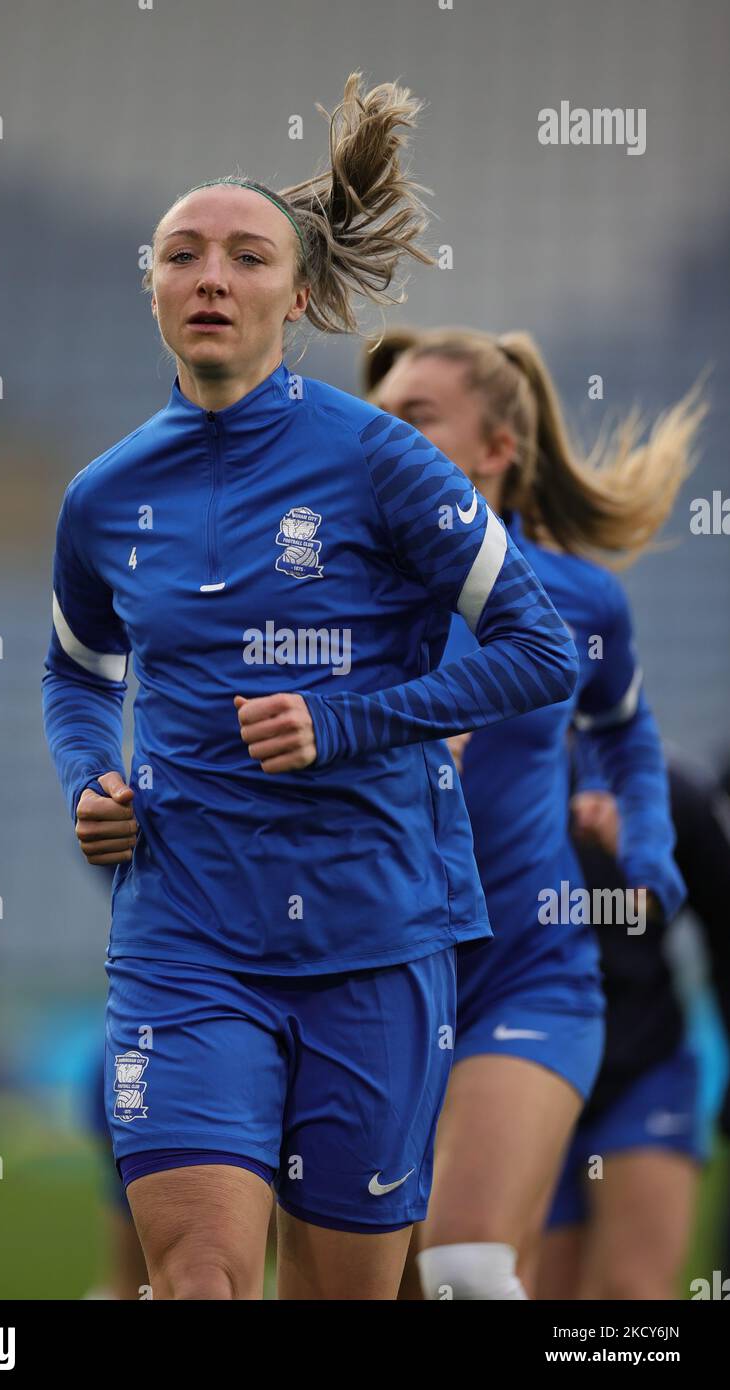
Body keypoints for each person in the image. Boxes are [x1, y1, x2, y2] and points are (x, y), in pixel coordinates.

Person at [42, 73, 579, 1301]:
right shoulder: (102, 495)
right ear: (155, 287)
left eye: (244, 255)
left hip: (373, 936)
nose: (212, 277)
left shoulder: (381, 459)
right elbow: (74, 674)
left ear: (294, 291)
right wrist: (91, 778)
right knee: (200, 1280)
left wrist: (344, 722)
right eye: (183, 255)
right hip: (184, 939)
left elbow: (540, 648)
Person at [366, 326, 703, 1299]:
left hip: (527, 973)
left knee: (467, 1270)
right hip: (368, 987)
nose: (382, 439)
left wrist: (643, 840)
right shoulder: (331, 600)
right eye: (374, 420)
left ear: (495, 451)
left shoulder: (575, 599)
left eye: (415, 419)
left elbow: (624, 730)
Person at [537, 750, 730, 1299]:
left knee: (632, 1294)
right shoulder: (487, 794)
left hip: (646, 1069)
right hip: (529, 1073)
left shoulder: (669, 794)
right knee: (537, 1290)